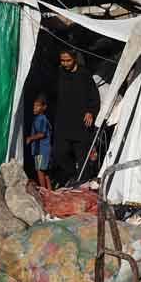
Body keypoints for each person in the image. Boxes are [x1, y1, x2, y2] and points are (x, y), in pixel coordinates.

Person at [53, 49, 100, 185]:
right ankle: (72, 174)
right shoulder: (59, 73)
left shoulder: (84, 75)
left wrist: (90, 111)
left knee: (82, 157)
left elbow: (94, 97)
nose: (65, 63)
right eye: (62, 60)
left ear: (74, 59)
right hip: (64, 122)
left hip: (81, 124)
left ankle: (83, 185)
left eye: (68, 60)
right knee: (59, 153)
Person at [26, 94, 53, 190]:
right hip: (41, 149)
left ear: (44, 107)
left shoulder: (42, 119)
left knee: (40, 171)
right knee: (45, 172)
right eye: (34, 106)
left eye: (37, 106)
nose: (34, 108)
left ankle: (43, 191)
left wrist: (30, 138)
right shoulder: (38, 119)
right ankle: (49, 192)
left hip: (41, 149)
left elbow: (42, 134)